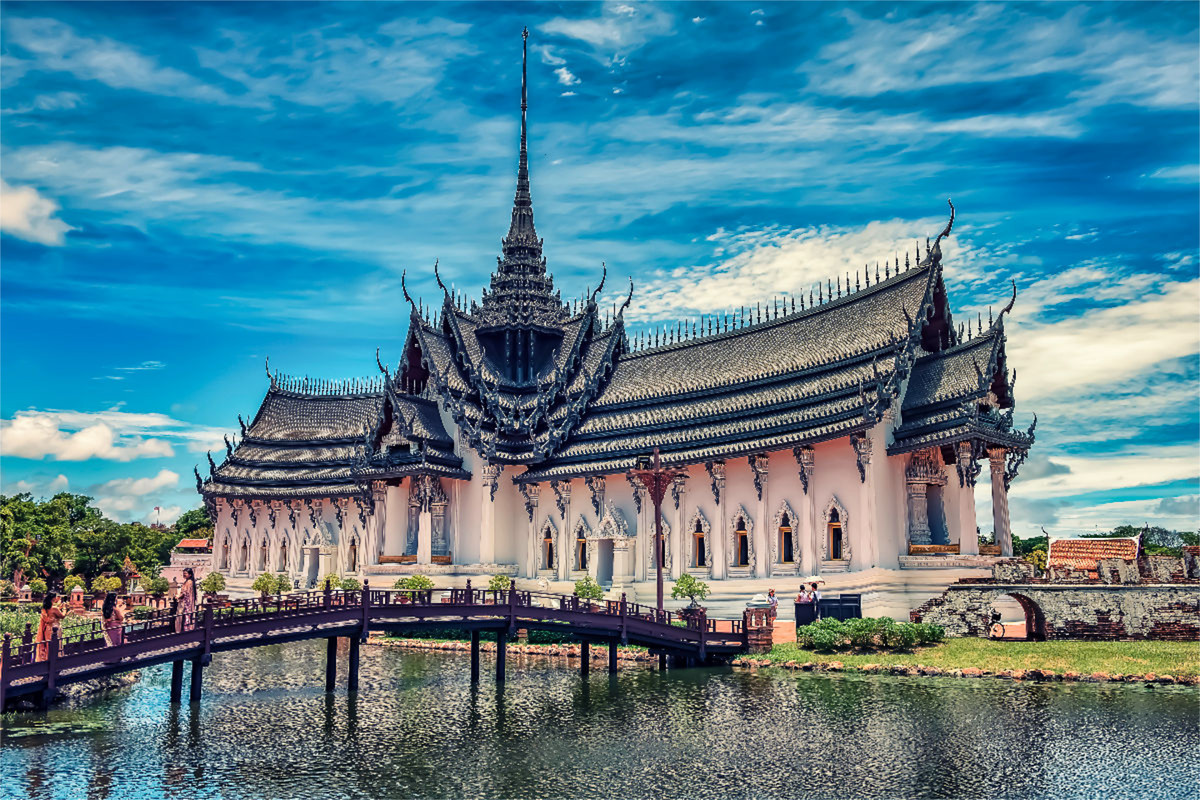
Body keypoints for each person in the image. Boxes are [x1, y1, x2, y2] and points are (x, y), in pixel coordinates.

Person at [36, 592, 68, 662]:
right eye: (56, 597)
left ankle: (48, 659)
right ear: (53, 598)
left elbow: (52, 613)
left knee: (48, 645)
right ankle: (56, 660)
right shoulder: (54, 608)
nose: (57, 598)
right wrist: (65, 609)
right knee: (56, 644)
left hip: (47, 629)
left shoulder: (46, 608)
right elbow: (62, 616)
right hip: (55, 628)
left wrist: (60, 608)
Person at [176, 568, 196, 633]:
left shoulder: (189, 582)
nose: (184, 575)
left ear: (190, 574)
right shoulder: (188, 582)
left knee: (186, 617)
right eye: (183, 573)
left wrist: (178, 597)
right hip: (187, 602)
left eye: (185, 573)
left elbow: (185, 593)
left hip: (186, 603)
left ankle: (186, 631)